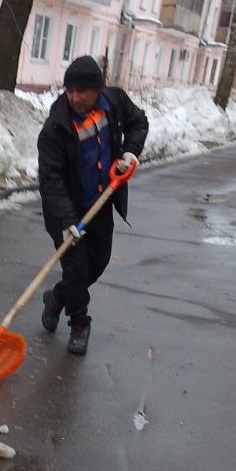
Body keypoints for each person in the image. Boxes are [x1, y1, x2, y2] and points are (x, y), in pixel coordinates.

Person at [37, 55, 149, 355]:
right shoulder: (55, 129)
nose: (75, 97)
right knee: (76, 269)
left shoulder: (114, 102)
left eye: (82, 91)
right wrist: (66, 221)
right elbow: (51, 181)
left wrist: (130, 152)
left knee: (95, 266)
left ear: (97, 89)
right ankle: (79, 323)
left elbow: (139, 122)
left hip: (99, 204)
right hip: (67, 211)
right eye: (70, 90)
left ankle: (56, 298)